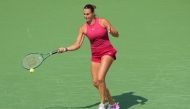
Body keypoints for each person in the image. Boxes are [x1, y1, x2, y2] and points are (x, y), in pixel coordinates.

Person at [58, 4, 120, 109]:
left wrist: (110, 29)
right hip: (95, 55)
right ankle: (113, 104)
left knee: (101, 78)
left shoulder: (103, 21)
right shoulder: (83, 28)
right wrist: (65, 49)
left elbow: (116, 34)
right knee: (96, 82)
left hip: (107, 52)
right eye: (84, 14)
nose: (86, 16)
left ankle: (102, 104)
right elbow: (77, 45)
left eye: (88, 14)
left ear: (93, 13)